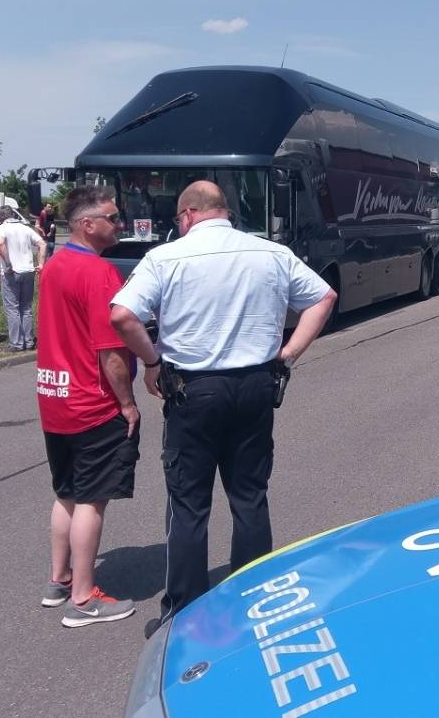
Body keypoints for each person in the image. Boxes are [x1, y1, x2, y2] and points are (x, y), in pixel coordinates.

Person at [110, 180, 337, 635]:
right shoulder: (271, 253)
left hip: (193, 390)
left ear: (188, 214)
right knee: (249, 497)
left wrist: (152, 362)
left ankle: (185, 615)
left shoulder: (166, 257)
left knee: (188, 504)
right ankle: (255, 599)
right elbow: (323, 297)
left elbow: (122, 315)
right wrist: (287, 354)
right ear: (225, 212)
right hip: (256, 384)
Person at [35, 187, 140, 628]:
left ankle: (59, 579)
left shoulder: (55, 265)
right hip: (92, 402)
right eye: (112, 218)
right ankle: (83, 598)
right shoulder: (98, 273)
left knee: (67, 492)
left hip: (54, 396)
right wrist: (128, 403)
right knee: (92, 500)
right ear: (87, 224)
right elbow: (110, 350)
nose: (120, 224)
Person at [0, 204, 45, 351]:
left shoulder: (0, 229)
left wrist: (8, 263)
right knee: (26, 307)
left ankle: (16, 343)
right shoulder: (25, 228)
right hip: (28, 270)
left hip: (12, 272)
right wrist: (41, 263)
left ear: (0, 217)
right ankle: (28, 340)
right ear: (13, 214)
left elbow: (0, 244)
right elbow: (42, 244)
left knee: (12, 308)